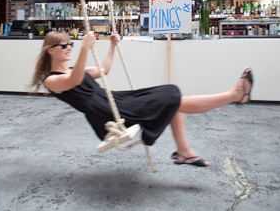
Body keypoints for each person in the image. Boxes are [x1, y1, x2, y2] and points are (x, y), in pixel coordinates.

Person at [32, 31, 253, 167]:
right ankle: (233, 95)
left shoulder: (72, 68)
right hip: (106, 114)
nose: (68, 48)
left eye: (70, 44)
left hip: (116, 100)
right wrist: (83, 50)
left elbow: (105, 69)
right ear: (50, 50)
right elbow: (74, 79)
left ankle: (184, 152)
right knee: (172, 98)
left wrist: (112, 46)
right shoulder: (51, 80)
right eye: (63, 45)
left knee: (170, 95)